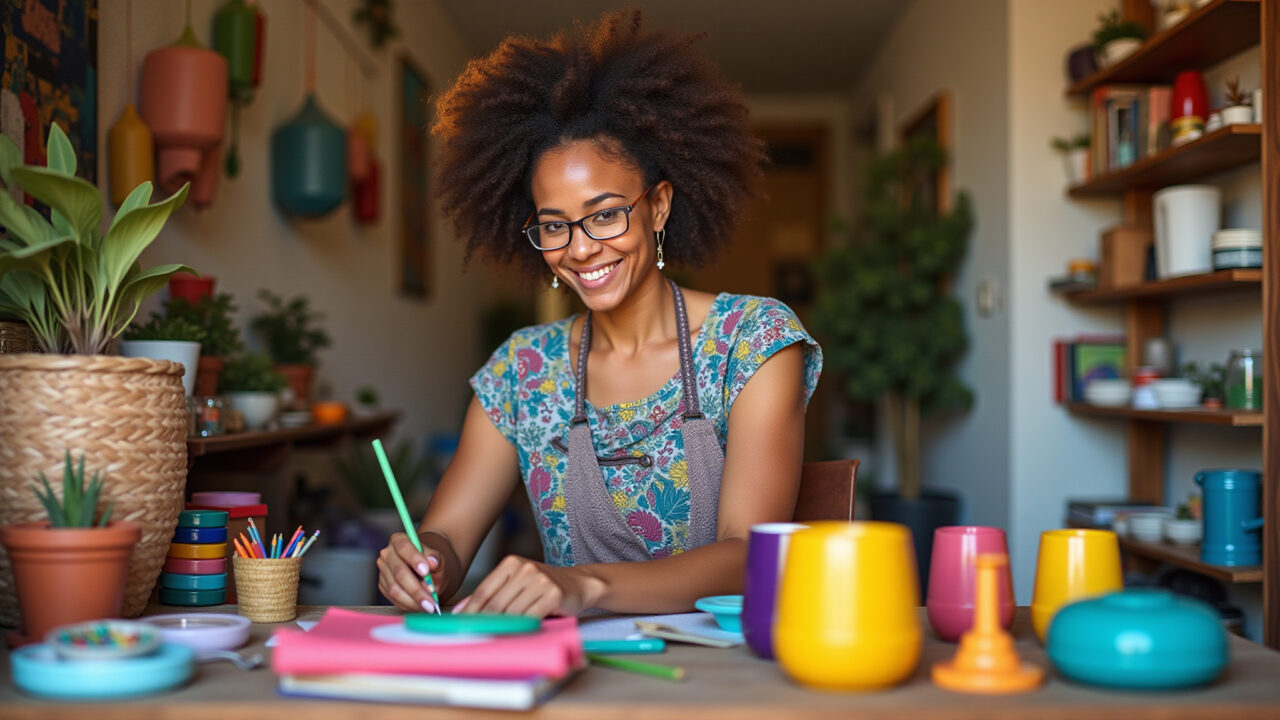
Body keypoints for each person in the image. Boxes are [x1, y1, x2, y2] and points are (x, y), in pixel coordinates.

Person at [377, 9, 822, 618]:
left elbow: (750, 555)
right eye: (555, 225)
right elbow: (449, 537)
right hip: (575, 678)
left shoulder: (752, 342)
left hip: (726, 682)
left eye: (606, 213)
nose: (580, 247)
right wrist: (424, 560)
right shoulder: (522, 372)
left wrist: (582, 585)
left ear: (658, 206)